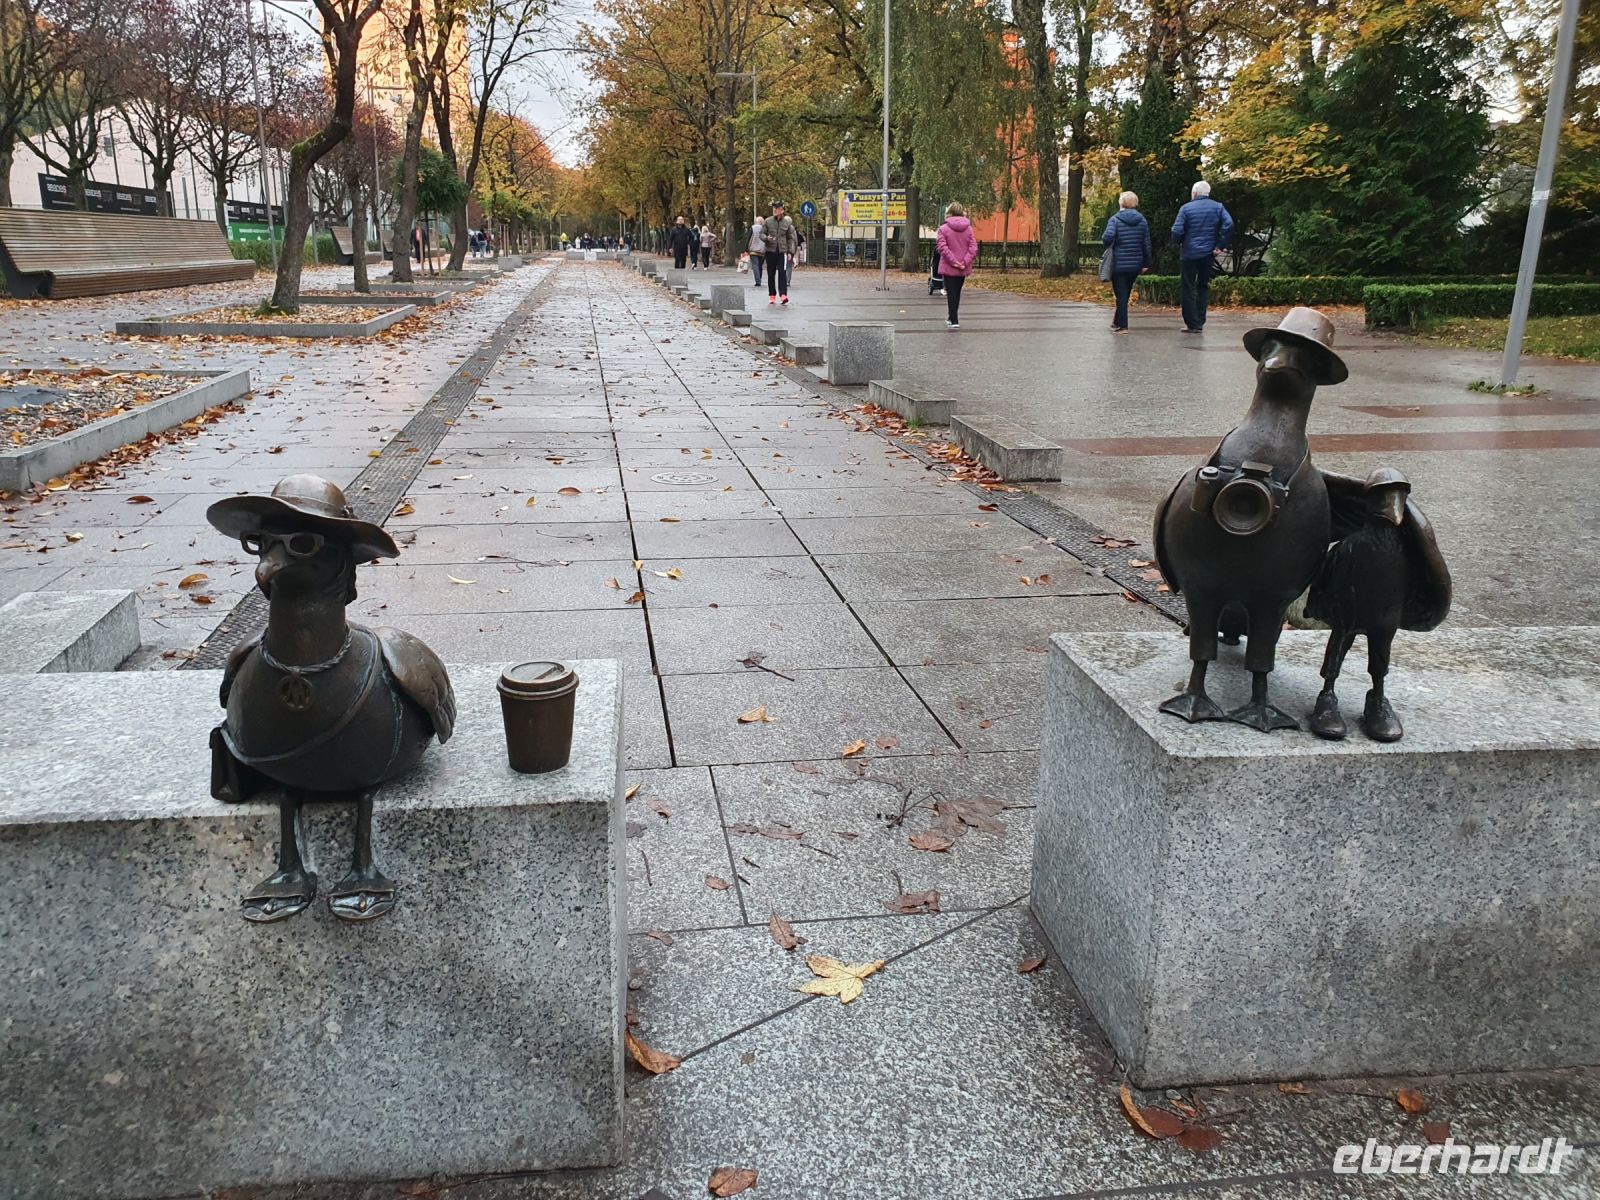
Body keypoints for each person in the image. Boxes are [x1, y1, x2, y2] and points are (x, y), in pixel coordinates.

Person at [1171, 180, 1234, 333]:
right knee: (1203, 286)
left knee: (1188, 287)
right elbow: (1229, 224)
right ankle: (1200, 320)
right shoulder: (1218, 207)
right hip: (1208, 253)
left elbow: (1177, 231)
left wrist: (1179, 242)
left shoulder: (1186, 208)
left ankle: (1191, 323)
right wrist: (1220, 245)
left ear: (1194, 193)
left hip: (1189, 253)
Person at [1102, 191, 1153, 333]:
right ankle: (1116, 321)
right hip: (1135, 263)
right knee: (1125, 292)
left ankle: (1123, 325)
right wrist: (1146, 263)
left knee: (1121, 294)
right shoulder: (1142, 220)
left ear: (1121, 203)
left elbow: (1107, 238)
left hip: (1118, 262)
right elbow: (1146, 244)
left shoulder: (1115, 219)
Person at [934, 202, 978, 329]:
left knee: (951, 292)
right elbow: (973, 247)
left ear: (950, 213)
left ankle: (954, 319)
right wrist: (964, 262)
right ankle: (951, 317)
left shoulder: (943, 229)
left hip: (949, 266)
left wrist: (954, 261)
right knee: (957, 292)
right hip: (963, 267)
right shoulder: (968, 229)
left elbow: (942, 247)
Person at [759, 201, 797, 305]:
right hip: (770, 251)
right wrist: (767, 238)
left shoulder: (786, 223)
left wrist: (790, 252)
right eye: (774, 209)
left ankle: (783, 295)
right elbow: (761, 234)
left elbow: (790, 238)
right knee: (771, 274)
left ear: (782, 210)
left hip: (782, 251)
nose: (775, 210)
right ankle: (772, 295)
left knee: (782, 272)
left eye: (777, 209)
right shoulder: (768, 221)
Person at [747, 222, 765, 287]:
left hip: (753, 250)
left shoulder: (752, 228)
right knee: (760, 265)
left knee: (755, 265)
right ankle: (759, 278)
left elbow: (748, 238)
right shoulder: (765, 228)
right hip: (762, 250)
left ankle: (758, 281)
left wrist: (746, 249)